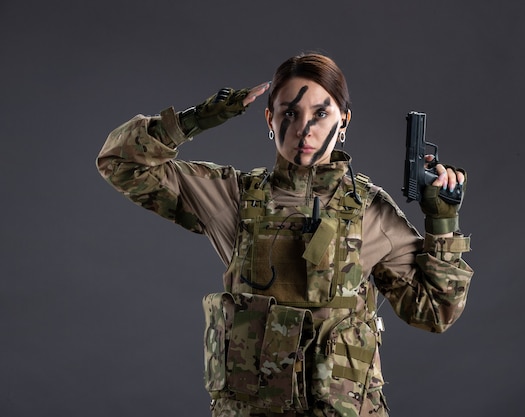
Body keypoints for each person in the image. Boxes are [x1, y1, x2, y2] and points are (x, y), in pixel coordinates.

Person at [96, 53, 474, 417]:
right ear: (270, 119)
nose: (304, 129)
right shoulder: (234, 196)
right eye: (290, 113)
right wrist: (197, 119)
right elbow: (120, 162)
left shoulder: (372, 211)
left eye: (320, 113)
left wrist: (441, 221)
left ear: (343, 121)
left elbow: (435, 313)